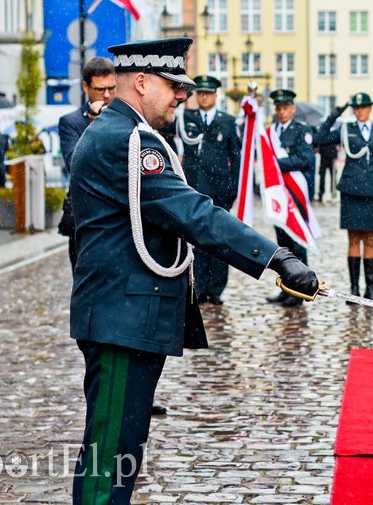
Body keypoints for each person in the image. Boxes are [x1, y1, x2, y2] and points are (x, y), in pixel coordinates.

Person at [67, 37, 319, 504]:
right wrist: (274, 257)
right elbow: (193, 212)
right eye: (172, 85)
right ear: (141, 82)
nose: (182, 95)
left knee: (120, 453)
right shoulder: (127, 141)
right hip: (122, 319)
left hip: (125, 316)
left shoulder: (123, 133)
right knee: (109, 460)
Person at [315, 92, 373, 300]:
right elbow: (319, 138)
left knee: (369, 240)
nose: (360, 111)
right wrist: (334, 115)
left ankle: (370, 289)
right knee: (352, 240)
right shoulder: (345, 129)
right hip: (351, 190)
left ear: (370, 108)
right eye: (356, 108)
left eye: (363, 107)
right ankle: (355, 289)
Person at [177, 75, 241, 305]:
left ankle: (216, 288)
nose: (203, 97)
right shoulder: (186, 117)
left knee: (219, 239)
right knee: (197, 239)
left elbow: (236, 157)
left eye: (207, 93)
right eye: (200, 93)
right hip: (193, 186)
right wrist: (185, 96)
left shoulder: (228, 121)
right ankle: (199, 284)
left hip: (220, 188)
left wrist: (234, 188)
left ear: (216, 95)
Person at [58, 57, 117, 272]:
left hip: (118, 216)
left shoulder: (126, 118)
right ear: (86, 87)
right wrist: (97, 124)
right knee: (84, 278)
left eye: (112, 88)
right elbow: (75, 165)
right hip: (85, 216)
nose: (107, 95)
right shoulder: (72, 122)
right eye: (100, 89)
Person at [263, 88, 316, 307]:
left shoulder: (301, 130)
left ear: (292, 108)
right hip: (277, 194)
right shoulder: (271, 131)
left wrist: (277, 164)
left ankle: (300, 290)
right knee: (282, 245)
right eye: (278, 108)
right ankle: (286, 288)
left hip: (295, 194)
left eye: (285, 107)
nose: (282, 111)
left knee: (297, 243)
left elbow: (305, 159)